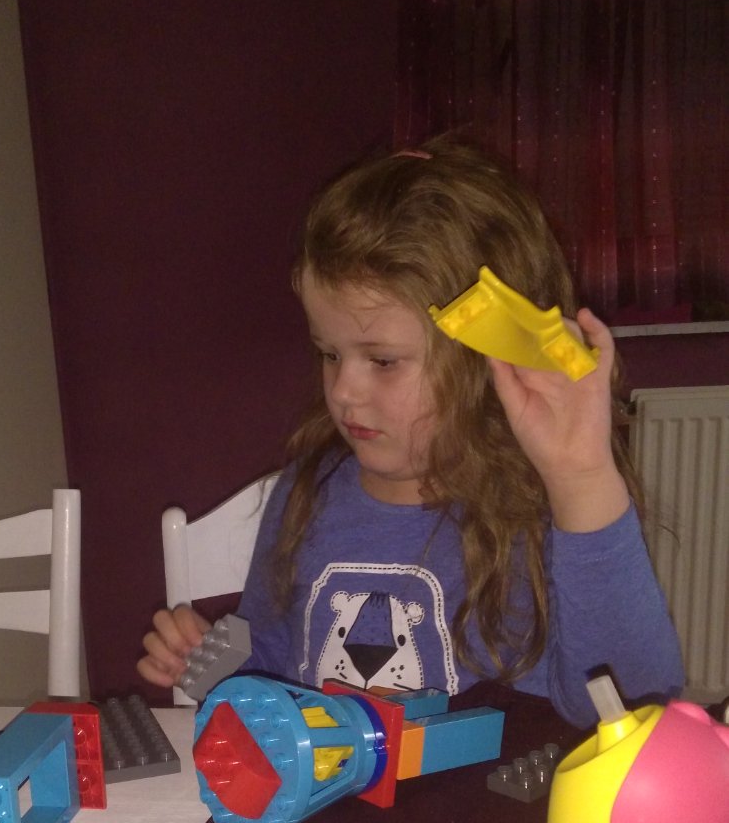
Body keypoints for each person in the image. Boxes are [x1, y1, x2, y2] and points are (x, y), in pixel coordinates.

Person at [138, 137, 683, 727]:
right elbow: (272, 666)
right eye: (329, 353)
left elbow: (634, 705)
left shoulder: (540, 513)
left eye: (383, 360)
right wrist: (214, 666)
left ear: (485, 360)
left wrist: (581, 480)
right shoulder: (304, 493)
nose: (344, 391)